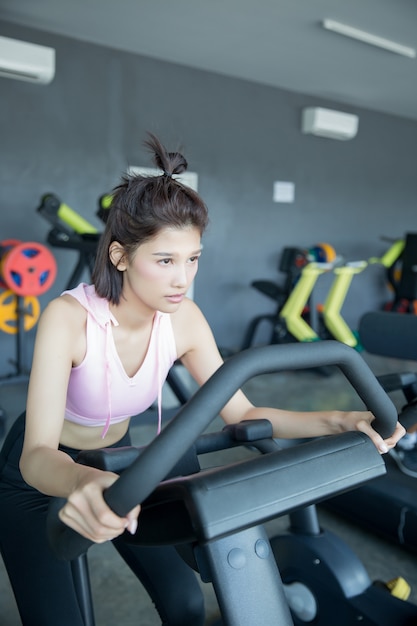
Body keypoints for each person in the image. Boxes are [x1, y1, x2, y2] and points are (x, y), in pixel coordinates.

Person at [0, 133, 405, 626]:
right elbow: (37, 455)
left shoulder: (184, 319)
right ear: (120, 257)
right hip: (37, 476)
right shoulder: (68, 318)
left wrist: (343, 419)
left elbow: (244, 413)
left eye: (193, 259)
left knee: (186, 603)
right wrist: (84, 481)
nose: (182, 279)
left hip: (120, 461)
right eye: (165, 260)